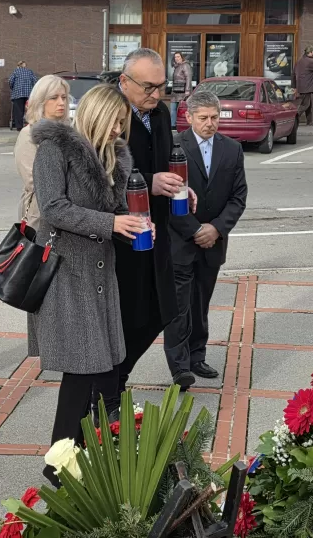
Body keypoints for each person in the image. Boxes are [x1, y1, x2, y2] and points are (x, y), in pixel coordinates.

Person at [30, 84, 148, 485]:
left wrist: (137, 215)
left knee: (102, 367)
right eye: (116, 121)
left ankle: (78, 454)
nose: (120, 129)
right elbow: (52, 208)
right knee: (84, 369)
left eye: (124, 122)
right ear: (97, 116)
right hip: (66, 272)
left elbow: (120, 207)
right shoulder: (54, 148)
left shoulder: (114, 156)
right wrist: (111, 223)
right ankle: (59, 462)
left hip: (100, 272)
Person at [114, 48, 185, 393]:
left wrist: (176, 188)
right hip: (121, 235)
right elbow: (99, 171)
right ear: (124, 82)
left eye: (162, 86)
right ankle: (110, 386)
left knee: (160, 311)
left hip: (157, 232)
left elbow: (168, 160)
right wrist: (148, 180)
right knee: (129, 315)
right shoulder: (110, 114)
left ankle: (116, 378)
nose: (156, 95)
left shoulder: (159, 113)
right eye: (148, 87)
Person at [166, 86, 247, 386]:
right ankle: (179, 366)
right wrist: (195, 229)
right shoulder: (174, 147)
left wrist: (216, 228)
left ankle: (197, 357)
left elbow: (238, 196)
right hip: (181, 241)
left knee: (201, 304)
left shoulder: (231, 149)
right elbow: (169, 197)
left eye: (214, 117)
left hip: (213, 242)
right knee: (179, 307)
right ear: (189, 117)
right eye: (203, 118)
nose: (210, 123)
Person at [14, 75, 70, 231]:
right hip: (40, 214)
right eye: (54, 98)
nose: (61, 103)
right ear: (40, 101)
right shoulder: (29, 133)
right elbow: (32, 180)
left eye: (64, 97)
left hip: (71, 213)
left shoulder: (69, 132)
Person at [294, 46, 313, 126]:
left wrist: (294, 86)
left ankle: (310, 122)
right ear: (310, 53)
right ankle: (293, 119)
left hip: (302, 86)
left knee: (308, 104)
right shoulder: (310, 61)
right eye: (312, 52)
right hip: (307, 87)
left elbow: (293, 74)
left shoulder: (300, 61)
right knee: (305, 105)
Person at [8, 60, 38, 130]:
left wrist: (12, 88)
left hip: (18, 94)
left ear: (18, 66)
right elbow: (35, 81)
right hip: (28, 94)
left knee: (18, 110)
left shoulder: (16, 71)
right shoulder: (30, 72)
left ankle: (19, 127)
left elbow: (10, 81)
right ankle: (29, 124)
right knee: (29, 110)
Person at [169, 51, 192, 120]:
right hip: (175, 91)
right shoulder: (176, 67)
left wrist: (187, 91)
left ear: (182, 57)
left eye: (178, 56)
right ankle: (173, 125)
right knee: (173, 108)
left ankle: (181, 124)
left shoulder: (185, 65)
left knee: (182, 110)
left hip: (183, 92)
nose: (176, 58)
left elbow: (189, 77)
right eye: (175, 57)